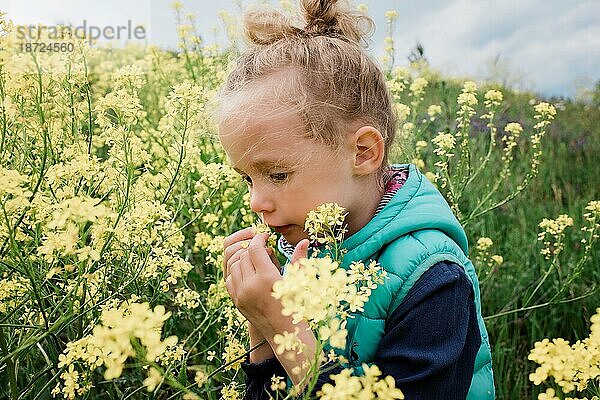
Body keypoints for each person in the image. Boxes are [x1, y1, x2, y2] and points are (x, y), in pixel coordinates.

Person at [217, 1, 495, 399]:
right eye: (247, 178)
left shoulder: (434, 281)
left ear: (363, 152)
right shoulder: (307, 250)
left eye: (278, 174)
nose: (256, 202)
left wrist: (283, 328)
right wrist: (261, 325)